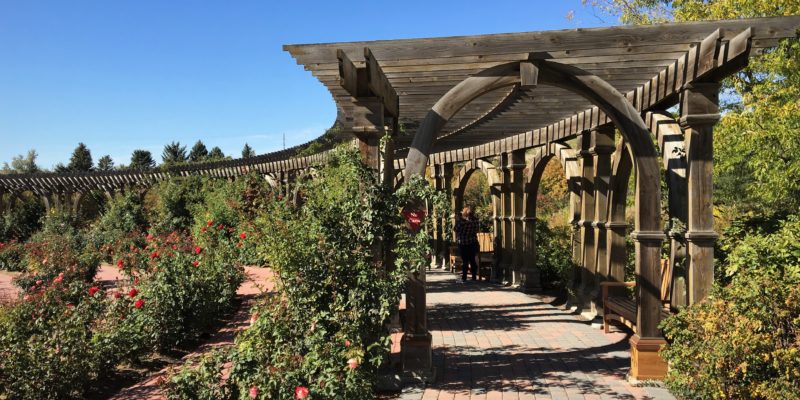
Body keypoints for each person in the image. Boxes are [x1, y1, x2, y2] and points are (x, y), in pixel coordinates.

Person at [454, 206, 480, 282]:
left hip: (463, 242)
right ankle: (474, 276)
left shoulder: (462, 221)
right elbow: (477, 230)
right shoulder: (475, 220)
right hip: (473, 242)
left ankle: (464, 277)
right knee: (472, 259)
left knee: (465, 260)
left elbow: (455, 229)